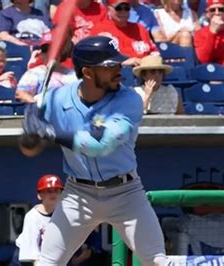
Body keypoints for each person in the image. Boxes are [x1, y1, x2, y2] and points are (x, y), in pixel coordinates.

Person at [21, 36, 168, 266]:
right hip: (78, 194)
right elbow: (28, 147)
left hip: (126, 192)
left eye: (119, 64)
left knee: (157, 261)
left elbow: (100, 145)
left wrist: (50, 133)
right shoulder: (57, 99)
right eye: (111, 66)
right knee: (47, 262)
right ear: (88, 72)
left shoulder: (130, 100)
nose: (119, 70)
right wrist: (30, 122)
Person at [15, 30, 77, 103]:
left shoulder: (72, 75)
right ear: (40, 54)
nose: (49, 54)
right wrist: (35, 102)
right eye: (45, 50)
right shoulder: (35, 73)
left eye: (55, 50)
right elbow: (20, 93)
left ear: (62, 52)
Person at [90, 0, 158, 66]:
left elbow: (154, 52)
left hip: (143, 73)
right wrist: (123, 63)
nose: (123, 12)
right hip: (116, 73)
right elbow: (96, 59)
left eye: (127, 8)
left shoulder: (139, 28)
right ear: (108, 8)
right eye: (118, 8)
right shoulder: (99, 30)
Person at [15, 174, 64, 265]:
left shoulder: (62, 214)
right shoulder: (33, 216)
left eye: (57, 191)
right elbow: (30, 249)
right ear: (39, 195)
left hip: (47, 258)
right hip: (27, 258)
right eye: (49, 191)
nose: (53, 194)